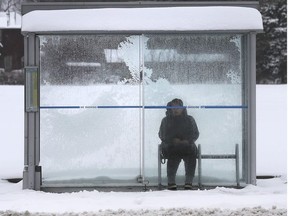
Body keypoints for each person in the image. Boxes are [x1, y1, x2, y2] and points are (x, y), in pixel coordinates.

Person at [158, 98, 199, 190]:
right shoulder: (166, 120)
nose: (175, 109)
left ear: (182, 108)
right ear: (170, 108)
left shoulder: (189, 119)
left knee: (191, 152)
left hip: (187, 145)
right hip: (171, 146)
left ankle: (189, 181)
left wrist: (187, 141)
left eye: (178, 107)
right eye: (173, 107)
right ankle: (171, 181)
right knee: (174, 152)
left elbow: (195, 133)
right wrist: (172, 140)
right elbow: (162, 134)